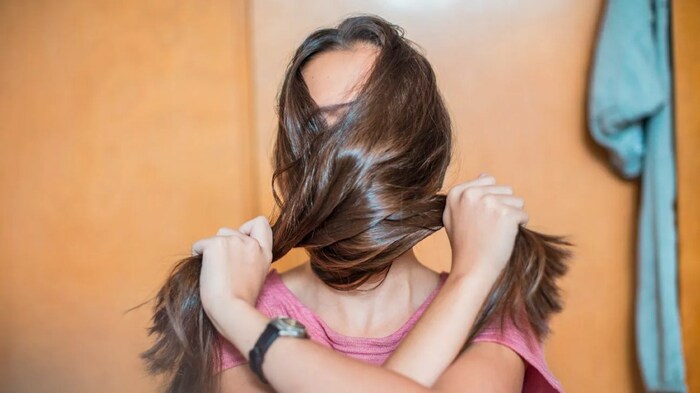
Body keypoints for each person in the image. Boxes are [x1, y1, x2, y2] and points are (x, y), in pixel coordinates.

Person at [143, 14, 570, 393]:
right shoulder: (250, 307)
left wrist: (235, 314)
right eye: (314, 129)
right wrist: (473, 277)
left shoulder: (488, 312)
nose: (334, 152)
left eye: (361, 125)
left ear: (424, 150)